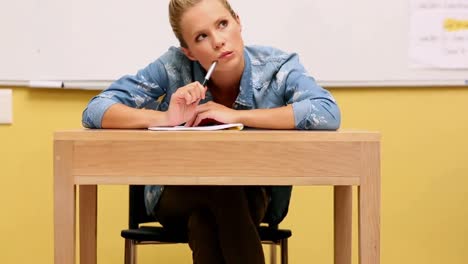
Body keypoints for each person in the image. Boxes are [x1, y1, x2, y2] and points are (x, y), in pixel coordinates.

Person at [82, 0, 341, 263]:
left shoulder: (277, 67)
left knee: (205, 222)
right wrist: (166, 117)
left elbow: (327, 112)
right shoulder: (174, 66)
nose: (218, 41)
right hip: (175, 196)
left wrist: (237, 116)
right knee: (222, 186)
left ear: (238, 21)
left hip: (254, 195)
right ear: (190, 51)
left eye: (223, 24)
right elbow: (95, 110)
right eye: (201, 36)